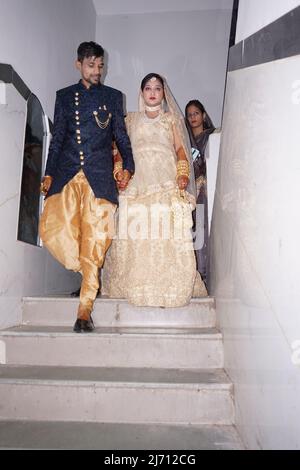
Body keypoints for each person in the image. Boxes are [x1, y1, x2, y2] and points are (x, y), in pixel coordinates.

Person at [39, 41, 134, 332]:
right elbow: (57, 141)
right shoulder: (65, 97)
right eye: (91, 65)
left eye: (100, 65)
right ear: (78, 64)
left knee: (94, 243)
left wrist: (128, 166)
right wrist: (49, 173)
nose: (97, 70)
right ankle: (87, 273)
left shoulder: (113, 97)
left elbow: (121, 137)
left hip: (100, 179)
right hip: (68, 174)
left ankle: (85, 310)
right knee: (55, 230)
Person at [102, 74, 207, 307]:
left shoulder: (171, 119)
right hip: (137, 180)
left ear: (163, 92)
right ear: (141, 92)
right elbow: (119, 149)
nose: (152, 92)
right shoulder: (131, 119)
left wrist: (182, 173)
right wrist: (119, 170)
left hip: (165, 178)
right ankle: (135, 283)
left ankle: (168, 286)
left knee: (164, 228)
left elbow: (180, 149)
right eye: (148, 88)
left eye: (157, 88)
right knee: (134, 227)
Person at [185, 100, 215, 288]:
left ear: (203, 115)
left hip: (205, 190)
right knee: (189, 230)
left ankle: (203, 275)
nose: (193, 117)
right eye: (190, 114)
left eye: (196, 113)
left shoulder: (212, 137)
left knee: (203, 230)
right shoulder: (185, 140)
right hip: (188, 191)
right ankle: (192, 275)